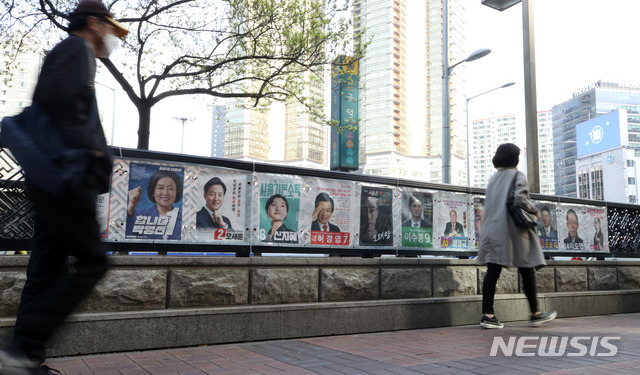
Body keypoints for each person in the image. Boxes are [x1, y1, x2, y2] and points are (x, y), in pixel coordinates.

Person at [0, 1, 128, 374]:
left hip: (48, 179)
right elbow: (66, 107)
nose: (110, 37)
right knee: (93, 261)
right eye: (107, 28)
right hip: (67, 178)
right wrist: (92, 153)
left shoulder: (61, 51)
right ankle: (20, 348)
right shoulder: (77, 49)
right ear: (93, 23)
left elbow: (48, 107)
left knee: (47, 267)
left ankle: (23, 360)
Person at [477, 143, 556, 329]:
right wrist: (535, 211)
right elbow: (520, 198)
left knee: (493, 271)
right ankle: (535, 313)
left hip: (493, 230)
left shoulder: (492, 179)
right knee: (526, 267)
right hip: (513, 231)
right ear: (516, 159)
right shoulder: (518, 175)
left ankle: (488, 315)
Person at [126, 169, 183, 240]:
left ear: (177, 192)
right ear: (153, 191)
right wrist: (131, 207)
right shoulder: (138, 216)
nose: (165, 193)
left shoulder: (184, 219)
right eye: (160, 188)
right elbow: (126, 236)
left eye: (170, 189)